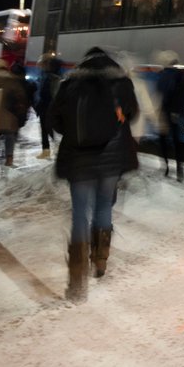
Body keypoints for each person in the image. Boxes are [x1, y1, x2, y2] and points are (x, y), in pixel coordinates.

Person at [49, 46, 140, 301]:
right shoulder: (121, 83)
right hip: (111, 159)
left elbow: (55, 120)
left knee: (80, 214)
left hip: (79, 160)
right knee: (103, 208)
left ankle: (76, 279)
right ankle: (100, 261)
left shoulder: (70, 84)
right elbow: (133, 114)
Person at [0, 58, 30, 177]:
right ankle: (9, 158)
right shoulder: (13, 79)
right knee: (10, 136)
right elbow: (22, 97)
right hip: (9, 116)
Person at [155, 50, 184, 181]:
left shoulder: (162, 76)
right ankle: (180, 170)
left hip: (165, 111)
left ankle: (166, 166)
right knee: (178, 141)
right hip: (178, 113)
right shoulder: (181, 76)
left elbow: (161, 96)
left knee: (163, 139)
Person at [32, 53, 62, 159]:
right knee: (47, 128)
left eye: (41, 64)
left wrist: (38, 103)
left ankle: (49, 149)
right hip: (48, 106)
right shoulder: (53, 74)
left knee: (47, 128)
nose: (39, 66)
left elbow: (44, 93)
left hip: (46, 106)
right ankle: (48, 149)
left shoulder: (48, 76)